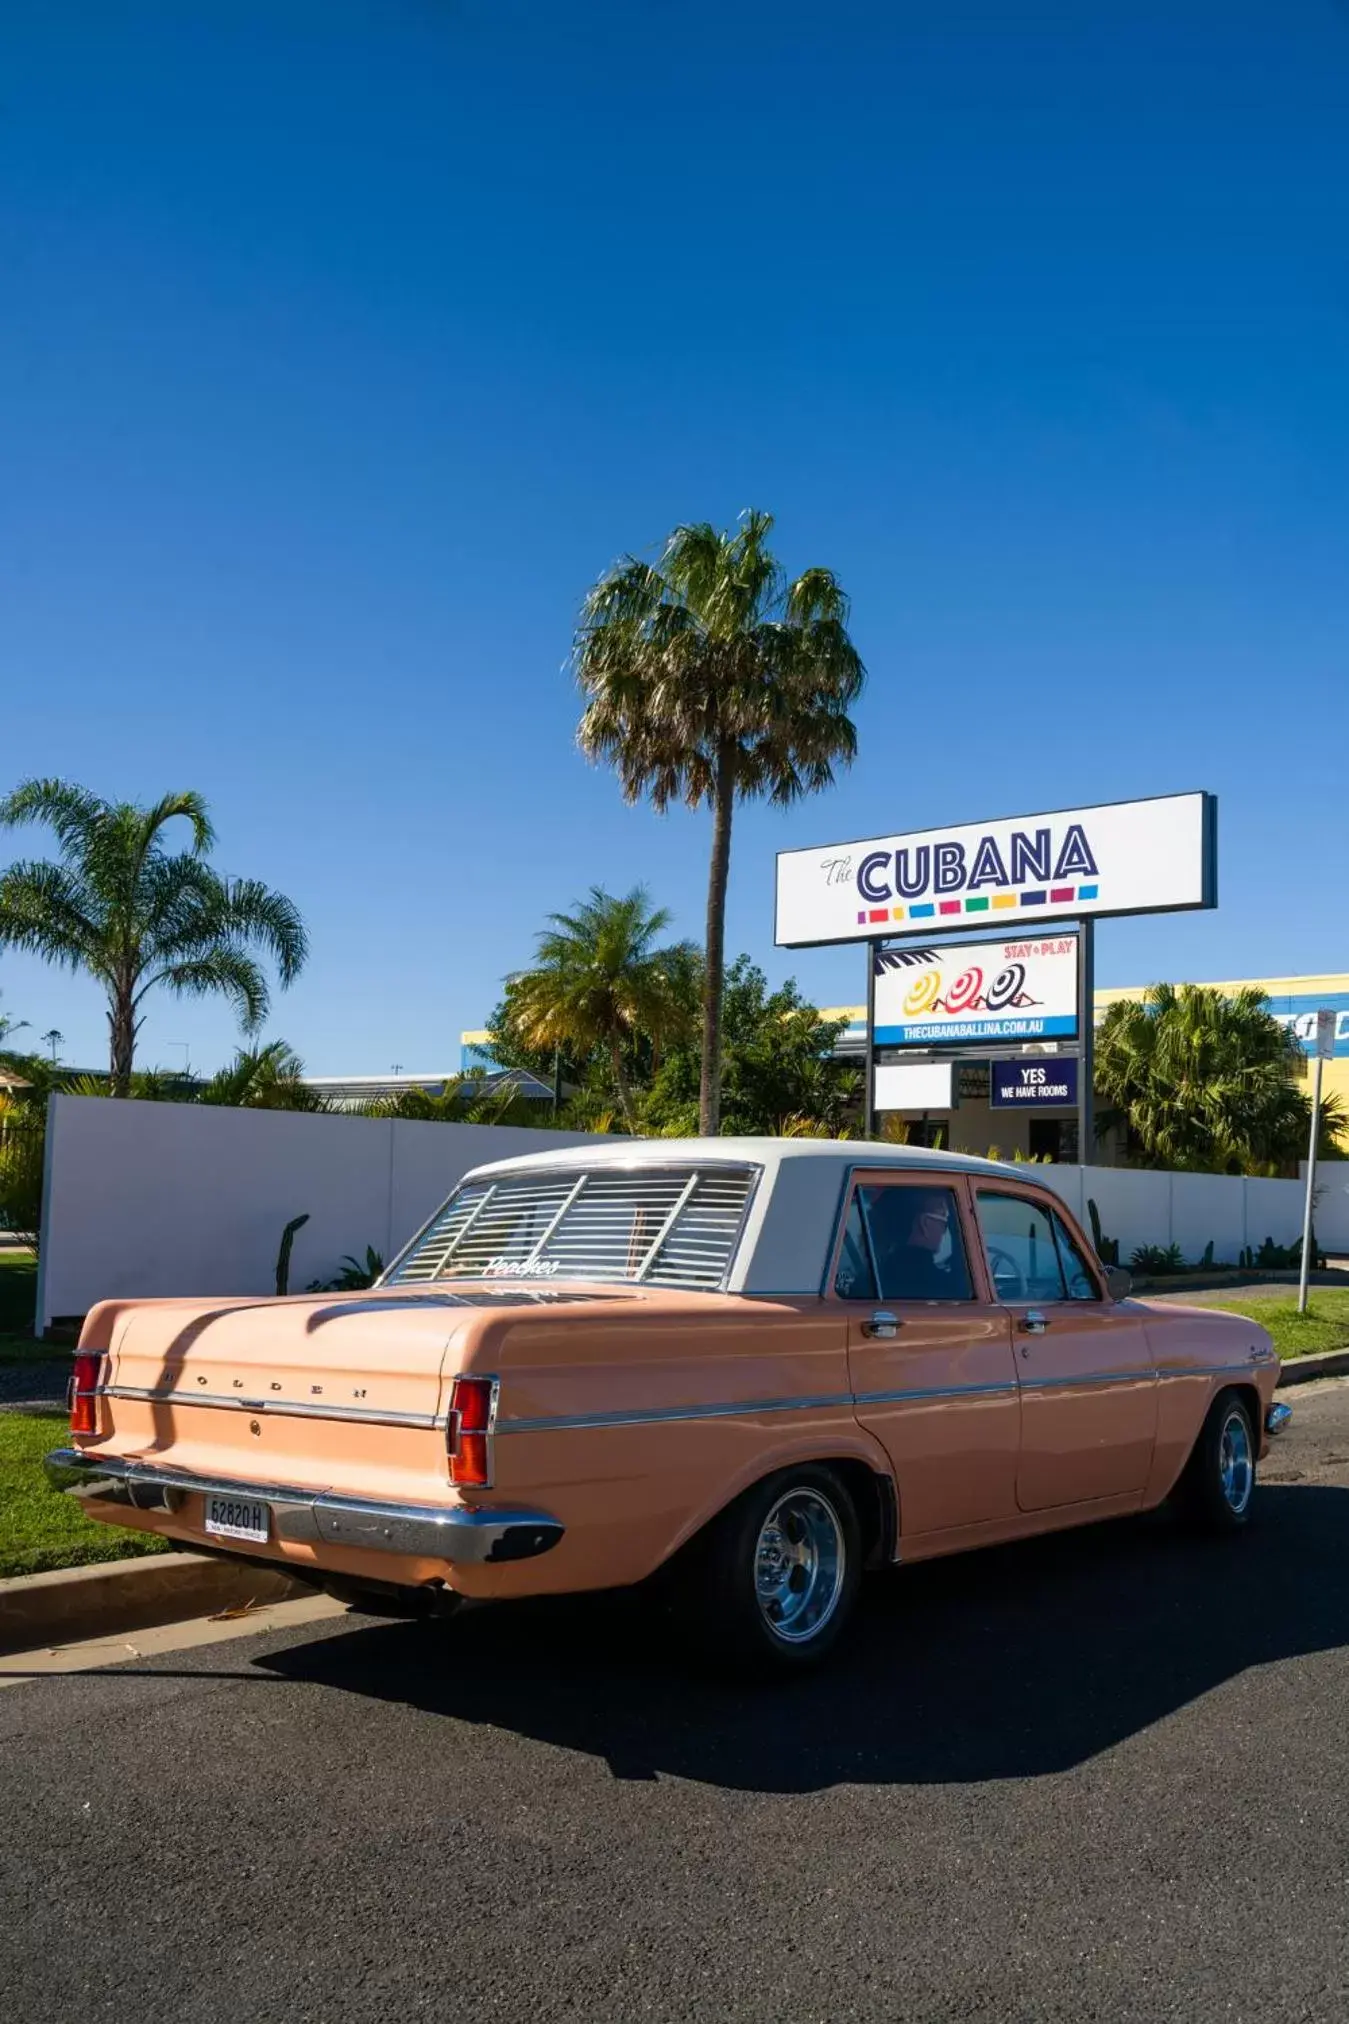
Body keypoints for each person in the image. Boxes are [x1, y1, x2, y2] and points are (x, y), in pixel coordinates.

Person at [867, 1187, 970, 1300]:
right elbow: (964, 1285)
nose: (944, 1229)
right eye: (944, 1218)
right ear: (924, 1224)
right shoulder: (941, 1286)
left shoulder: (869, 1280)